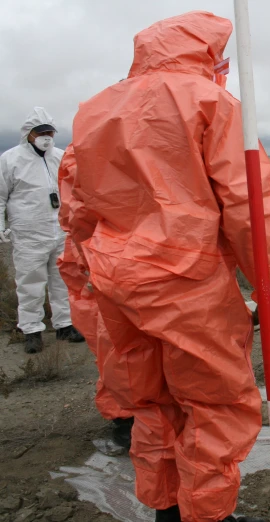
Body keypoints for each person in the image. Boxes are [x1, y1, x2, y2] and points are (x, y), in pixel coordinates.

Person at [68, 11, 270, 522]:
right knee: (215, 405)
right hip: (185, 282)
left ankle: (167, 507)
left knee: (150, 399)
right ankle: (207, 516)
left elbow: (78, 208)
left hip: (115, 280)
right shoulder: (210, 102)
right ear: (208, 54)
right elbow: (249, 207)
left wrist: (92, 269)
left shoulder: (96, 110)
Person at [57, 145, 134, 449]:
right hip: (100, 260)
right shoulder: (86, 149)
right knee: (115, 345)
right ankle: (126, 417)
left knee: (125, 346)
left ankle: (145, 416)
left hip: (125, 258)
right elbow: (77, 213)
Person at [0, 107, 85, 354]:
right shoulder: (10, 159)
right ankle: (31, 330)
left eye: (49, 131)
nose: (46, 136)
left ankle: (64, 325)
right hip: (28, 232)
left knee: (62, 281)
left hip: (59, 230)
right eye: (41, 132)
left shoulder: (60, 156)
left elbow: (75, 189)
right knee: (30, 282)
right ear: (28, 133)